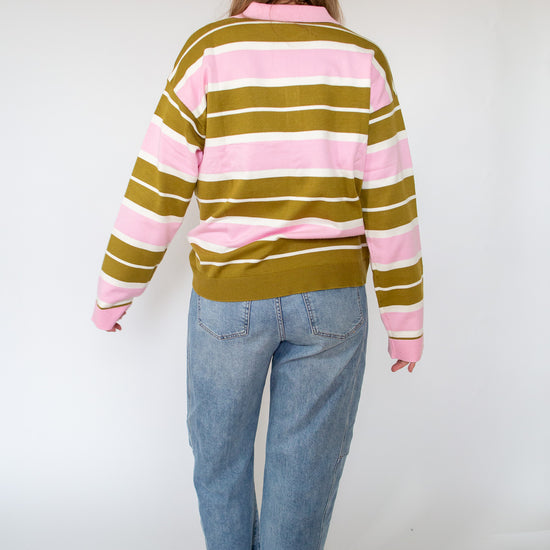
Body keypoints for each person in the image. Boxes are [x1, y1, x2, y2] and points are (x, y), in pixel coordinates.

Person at [92, 0, 424, 548]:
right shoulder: (362, 58)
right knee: (307, 471)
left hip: (229, 299)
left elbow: (158, 183)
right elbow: (391, 199)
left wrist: (115, 289)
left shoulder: (210, 50)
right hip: (332, 300)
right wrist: (404, 322)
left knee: (219, 462)